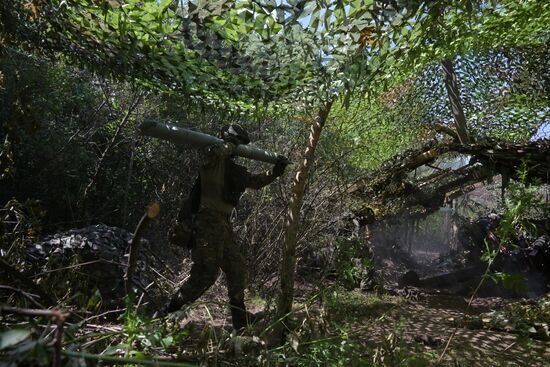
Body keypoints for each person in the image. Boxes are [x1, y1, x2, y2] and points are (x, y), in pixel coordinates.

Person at [165, 124, 288, 330]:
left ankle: (240, 318)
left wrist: (275, 172)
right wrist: (230, 143)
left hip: (223, 224)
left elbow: (255, 182)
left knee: (237, 268)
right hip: (206, 221)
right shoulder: (212, 159)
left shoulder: (233, 170)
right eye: (235, 142)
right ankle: (169, 310)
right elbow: (218, 151)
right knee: (206, 273)